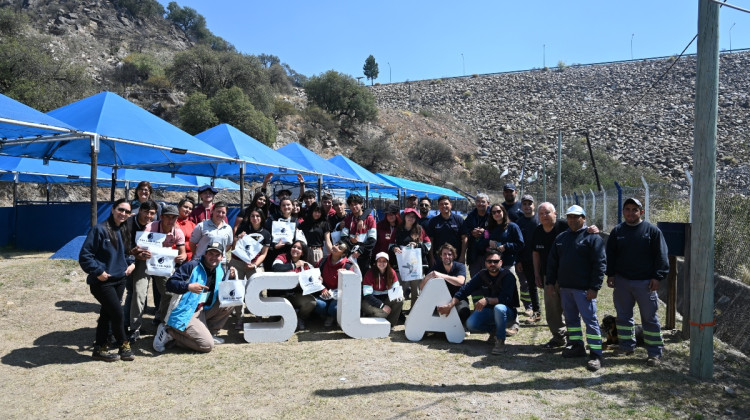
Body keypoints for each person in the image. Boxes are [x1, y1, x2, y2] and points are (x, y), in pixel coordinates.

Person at [606, 197, 669, 366]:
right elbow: (610, 255)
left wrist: (657, 277)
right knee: (623, 317)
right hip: (622, 282)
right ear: (623, 212)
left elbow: (661, 256)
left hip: (645, 283)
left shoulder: (652, 231)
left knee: (649, 318)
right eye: (627, 209)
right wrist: (610, 275)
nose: (631, 212)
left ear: (641, 212)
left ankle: (654, 352)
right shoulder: (617, 231)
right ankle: (626, 346)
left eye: (635, 209)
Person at [531, 202, 600, 349]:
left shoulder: (565, 227)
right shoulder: (539, 232)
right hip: (549, 276)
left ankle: (577, 342)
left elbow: (581, 231)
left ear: (555, 213)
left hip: (570, 279)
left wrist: (591, 229)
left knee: (573, 312)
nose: (544, 216)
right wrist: (538, 275)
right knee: (552, 310)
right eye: (541, 214)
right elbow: (537, 254)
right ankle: (559, 337)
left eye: (547, 213)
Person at [546, 205, 606, 372]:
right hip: (565, 288)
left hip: (584, 290)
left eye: (576, 217)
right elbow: (552, 262)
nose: (572, 220)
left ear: (584, 218)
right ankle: (577, 346)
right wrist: (550, 283)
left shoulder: (592, 238)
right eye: (570, 217)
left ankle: (595, 353)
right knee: (571, 320)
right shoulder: (561, 238)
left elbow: (599, 264)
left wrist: (594, 287)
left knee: (590, 321)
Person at [79, 198, 136, 362]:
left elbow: (128, 252)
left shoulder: (125, 229)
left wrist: (131, 264)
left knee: (107, 313)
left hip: (120, 280)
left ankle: (100, 348)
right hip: (103, 282)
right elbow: (85, 256)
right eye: (120, 209)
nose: (123, 214)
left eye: (126, 211)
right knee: (117, 313)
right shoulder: (99, 230)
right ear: (113, 210)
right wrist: (98, 272)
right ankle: (123, 344)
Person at [153, 242, 236, 353]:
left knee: (229, 303)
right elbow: (170, 284)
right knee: (207, 346)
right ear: (205, 254)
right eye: (211, 253)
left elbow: (223, 292)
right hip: (185, 311)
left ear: (222, 257)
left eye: (217, 255)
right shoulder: (192, 266)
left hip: (202, 309)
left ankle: (208, 333)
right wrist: (188, 286)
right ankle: (169, 332)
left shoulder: (220, 270)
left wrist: (231, 277)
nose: (214, 257)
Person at [438, 250, 520, 355]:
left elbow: (506, 299)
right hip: (490, 311)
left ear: (501, 262)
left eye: (495, 261)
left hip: (507, 313)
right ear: (485, 263)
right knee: (471, 324)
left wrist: (487, 300)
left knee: (499, 308)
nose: (492, 264)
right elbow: (464, 290)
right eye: (489, 261)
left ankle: (500, 342)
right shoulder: (482, 275)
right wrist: (450, 305)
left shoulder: (508, 276)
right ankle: (494, 331)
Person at [144, 204, 187, 325]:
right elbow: (140, 246)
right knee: (138, 293)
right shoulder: (151, 227)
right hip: (145, 261)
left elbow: (183, 253)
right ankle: (132, 325)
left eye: (174, 217)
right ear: (161, 217)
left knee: (167, 292)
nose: (170, 220)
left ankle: (163, 321)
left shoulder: (178, 232)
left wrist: (181, 257)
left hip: (161, 266)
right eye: (168, 217)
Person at [123, 199, 158, 340]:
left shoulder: (153, 226)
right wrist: (133, 257)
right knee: (132, 292)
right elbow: (124, 247)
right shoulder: (129, 224)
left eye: (152, 213)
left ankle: (134, 324)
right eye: (146, 212)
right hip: (129, 263)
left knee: (141, 293)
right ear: (140, 211)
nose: (148, 216)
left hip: (146, 262)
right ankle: (126, 325)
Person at [272, 240, 317, 330]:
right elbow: (276, 267)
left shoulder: (306, 265)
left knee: (311, 302)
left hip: (296, 295)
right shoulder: (282, 257)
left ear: (303, 252)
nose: (295, 249)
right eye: (294, 247)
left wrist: (317, 280)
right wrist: (294, 265)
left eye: (299, 248)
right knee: (277, 318)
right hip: (281, 295)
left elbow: (312, 283)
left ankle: (299, 317)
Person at [421, 243, 469, 325]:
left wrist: (442, 275)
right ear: (440, 256)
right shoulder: (436, 267)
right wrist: (427, 277)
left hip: (458, 299)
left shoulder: (460, 266)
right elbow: (422, 287)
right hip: (441, 300)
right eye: (444, 254)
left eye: (449, 254)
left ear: (453, 256)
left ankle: (461, 327)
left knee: (464, 312)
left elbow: (460, 282)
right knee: (426, 311)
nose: (447, 256)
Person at [314, 241, 360, 327]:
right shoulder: (323, 260)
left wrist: (347, 275)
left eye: (340, 248)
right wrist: (322, 289)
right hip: (325, 293)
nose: (336, 247)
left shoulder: (348, 266)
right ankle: (325, 315)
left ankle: (332, 316)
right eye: (336, 244)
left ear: (343, 254)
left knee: (334, 309)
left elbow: (352, 287)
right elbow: (314, 276)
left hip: (340, 296)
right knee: (318, 305)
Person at [393, 207, 431, 307]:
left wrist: (417, 245)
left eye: (413, 217)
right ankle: (399, 313)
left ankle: (414, 313)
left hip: (417, 267)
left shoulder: (419, 229)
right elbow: (391, 244)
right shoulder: (398, 230)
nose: (411, 218)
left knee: (416, 291)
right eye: (409, 216)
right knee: (401, 290)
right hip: (402, 266)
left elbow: (428, 245)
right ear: (404, 217)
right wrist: (395, 248)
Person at [515, 194, 541, 322]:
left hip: (542, 259)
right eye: (524, 204)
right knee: (531, 286)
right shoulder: (519, 223)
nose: (527, 206)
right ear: (521, 206)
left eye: (529, 204)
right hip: (526, 260)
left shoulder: (540, 220)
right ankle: (537, 312)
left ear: (534, 205)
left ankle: (559, 315)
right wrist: (518, 260)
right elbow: (518, 243)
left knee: (550, 288)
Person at [361, 252, 403, 327]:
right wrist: (382, 306)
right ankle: (369, 318)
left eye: (384, 261)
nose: (381, 263)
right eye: (379, 261)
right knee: (383, 313)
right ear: (376, 262)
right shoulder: (369, 273)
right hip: (370, 302)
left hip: (385, 299)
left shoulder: (392, 272)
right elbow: (367, 295)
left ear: (387, 262)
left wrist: (398, 295)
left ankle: (390, 324)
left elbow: (396, 290)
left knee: (400, 299)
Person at [263, 197, 306, 270]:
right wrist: (273, 246)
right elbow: (265, 236)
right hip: (272, 254)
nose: (286, 207)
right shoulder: (272, 219)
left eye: (288, 205)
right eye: (283, 205)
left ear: (292, 206)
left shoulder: (295, 222)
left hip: (288, 255)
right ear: (280, 207)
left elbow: (298, 240)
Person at [340, 194, 376, 275]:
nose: (354, 207)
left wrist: (360, 251)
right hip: (350, 255)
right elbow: (343, 238)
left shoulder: (370, 219)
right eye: (351, 205)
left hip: (364, 256)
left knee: (364, 279)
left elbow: (372, 240)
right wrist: (351, 242)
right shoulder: (348, 219)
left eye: (356, 204)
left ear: (361, 204)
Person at [426, 195, 464, 262]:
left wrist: (462, 256)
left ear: (451, 205)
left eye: (446, 204)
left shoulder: (459, 220)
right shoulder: (433, 221)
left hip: (456, 258)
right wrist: (431, 257)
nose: (444, 206)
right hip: (438, 259)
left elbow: (464, 239)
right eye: (441, 204)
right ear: (438, 206)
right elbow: (430, 240)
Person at [459, 193, 490, 276]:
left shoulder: (493, 215)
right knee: (475, 281)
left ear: (488, 203)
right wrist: (472, 233)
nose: (480, 204)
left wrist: (485, 232)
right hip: (474, 254)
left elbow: (498, 231)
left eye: (483, 202)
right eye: (478, 201)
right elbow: (465, 233)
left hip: (489, 254)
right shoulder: (471, 216)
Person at [176, 197, 196, 262]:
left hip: (189, 259)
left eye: (190, 209)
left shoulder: (193, 225)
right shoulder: (171, 223)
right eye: (185, 207)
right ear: (179, 207)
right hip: (174, 257)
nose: (188, 210)